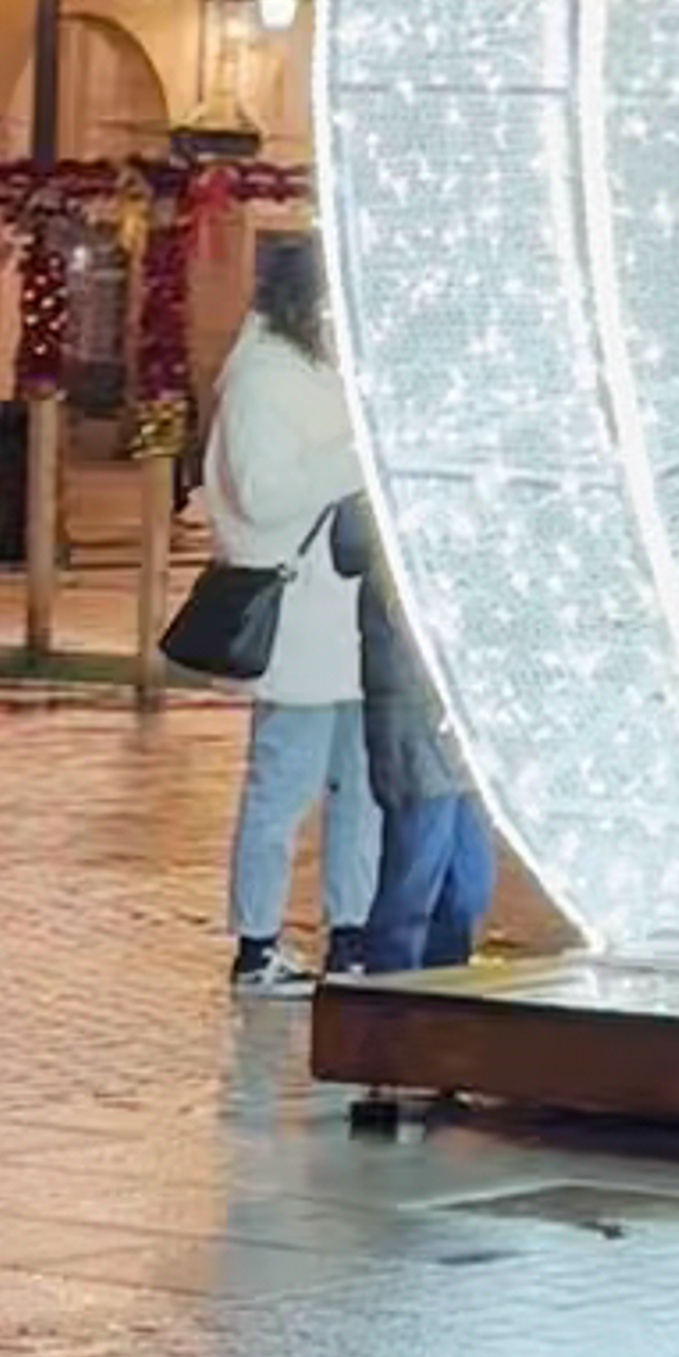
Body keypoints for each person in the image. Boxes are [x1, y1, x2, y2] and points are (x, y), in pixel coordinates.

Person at [204, 229, 376, 985]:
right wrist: (354, 456)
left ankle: (354, 932)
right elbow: (265, 493)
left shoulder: (320, 370)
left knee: (361, 789)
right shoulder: (262, 380)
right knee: (282, 787)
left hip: (348, 617)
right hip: (301, 620)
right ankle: (257, 942)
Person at [348, 525, 496, 972]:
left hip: (465, 732)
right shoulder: (396, 541)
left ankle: (445, 982)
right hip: (418, 727)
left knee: (469, 885)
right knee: (414, 881)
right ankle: (391, 992)